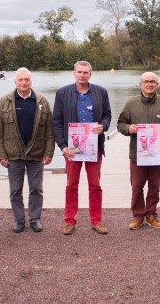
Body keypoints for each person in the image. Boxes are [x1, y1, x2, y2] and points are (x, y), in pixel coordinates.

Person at [52, 61, 112, 235]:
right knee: (71, 184)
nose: (82, 75)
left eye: (86, 72)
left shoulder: (101, 92)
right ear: (74, 73)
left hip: (94, 146)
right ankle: (69, 221)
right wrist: (62, 146)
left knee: (95, 185)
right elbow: (56, 122)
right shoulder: (63, 93)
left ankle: (96, 220)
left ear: (90, 75)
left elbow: (108, 115)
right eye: (79, 72)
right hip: (72, 147)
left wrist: (104, 126)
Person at [0, 68, 54, 233]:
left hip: (36, 153)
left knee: (36, 189)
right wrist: (1, 154)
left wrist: (49, 152)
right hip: (13, 154)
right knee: (15, 190)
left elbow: (50, 130)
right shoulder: (5, 101)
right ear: (15, 82)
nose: (23, 83)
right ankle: (19, 220)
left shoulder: (42, 101)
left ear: (31, 81)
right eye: (20, 80)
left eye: (26, 80)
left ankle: (35, 219)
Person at [117, 72, 160, 230]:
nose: (149, 84)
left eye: (153, 82)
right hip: (138, 153)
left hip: (158, 154)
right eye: (146, 82)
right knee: (136, 186)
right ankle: (138, 215)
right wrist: (129, 128)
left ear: (157, 85)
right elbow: (120, 124)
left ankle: (151, 214)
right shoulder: (131, 103)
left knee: (155, 186)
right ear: (140, 84)